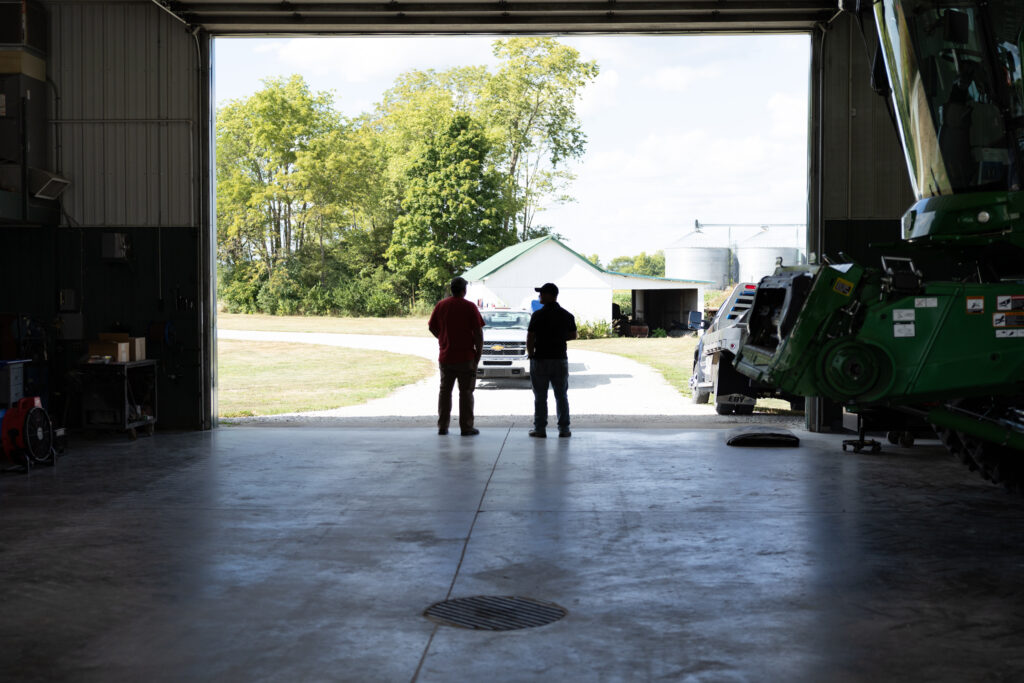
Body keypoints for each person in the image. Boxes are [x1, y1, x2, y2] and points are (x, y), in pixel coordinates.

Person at [428, 276, 485, 436]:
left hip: (446, 357)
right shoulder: (470, 307)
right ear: (464, 290)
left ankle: (443, 426)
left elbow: (432, 327)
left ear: (452, 289)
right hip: (466, 357)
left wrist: (442, 339)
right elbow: (478, 333)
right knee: (466, 393)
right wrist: (478, 355)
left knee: (445, 392)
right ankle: (466, 427)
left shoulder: (441, 305)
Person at [526, 282, 577, 438]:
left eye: (542, 293)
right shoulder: (567, 315)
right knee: (561, 395)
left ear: (549, 295)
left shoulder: (537, 315)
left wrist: (531, 354)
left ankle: (540, 429)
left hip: (540, 359)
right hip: (560, 359)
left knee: (540, 396)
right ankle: (564, 429)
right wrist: (559, 338)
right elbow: (573, 335)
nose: (539, 296)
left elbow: (530, 337)